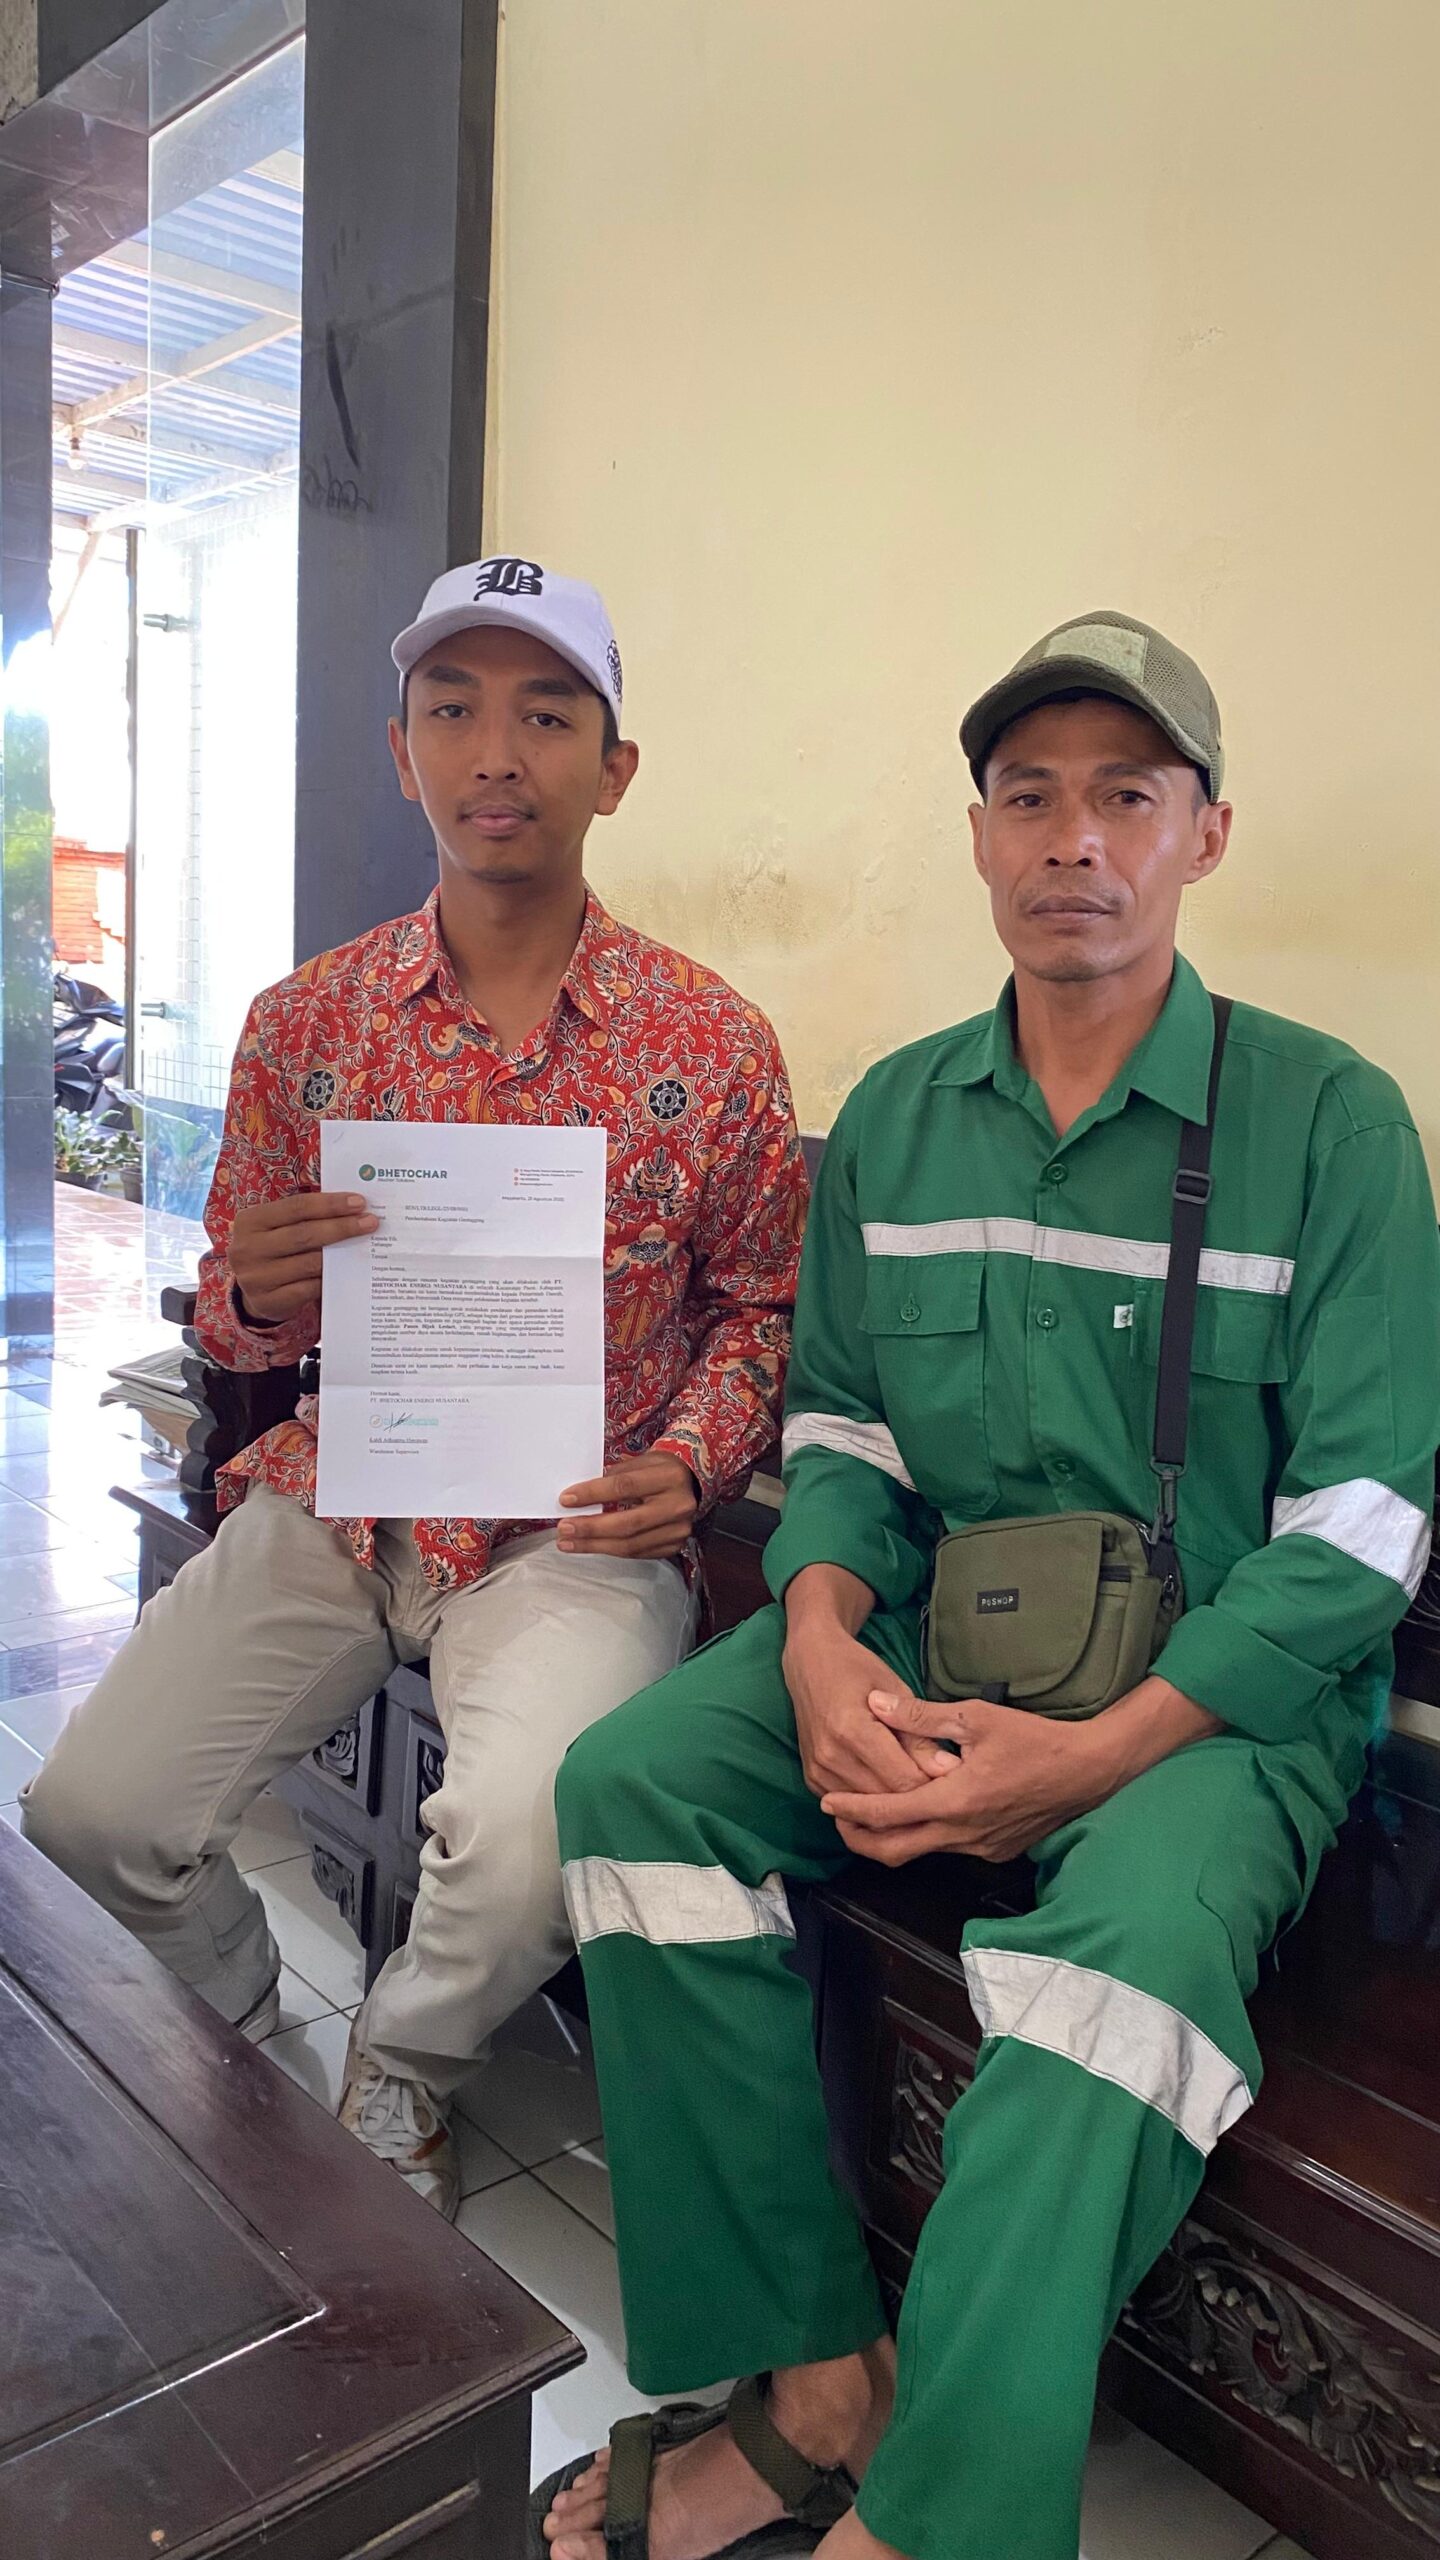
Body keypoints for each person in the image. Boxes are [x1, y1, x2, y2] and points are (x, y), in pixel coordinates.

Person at [536, 611, 1440, 2560]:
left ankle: (936, 2516)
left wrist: (1093, 1758)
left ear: (1206, 834)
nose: (1074, 839)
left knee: (1116, 1977)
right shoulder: (899, 1118)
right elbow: (845, 1430)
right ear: (978, 838)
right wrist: (818, 1630)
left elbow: (1363, 1524)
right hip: (943, 1634)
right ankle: (812, 2378)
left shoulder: (1330, 1122)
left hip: (1222, 1709)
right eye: (1029, 796)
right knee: (633, 1785)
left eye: (1128, 795)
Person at [24, 556, 806, 2222]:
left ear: (615, 767)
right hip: (346, 1494)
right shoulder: (305, 1026)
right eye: (453, 710)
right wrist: (250, 1294)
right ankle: (242, 2036)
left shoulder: (714, 1043)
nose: (495, 753)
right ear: (403, 753)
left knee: (528, 1839)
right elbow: (239, 1323)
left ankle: (405, 2065)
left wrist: (695, 1461)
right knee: (91, 1815)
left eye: (547, 715)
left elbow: (763, 1306)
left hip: (575, 1528)